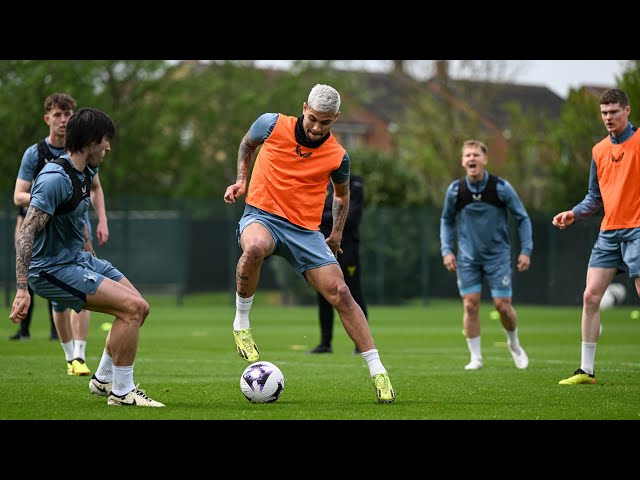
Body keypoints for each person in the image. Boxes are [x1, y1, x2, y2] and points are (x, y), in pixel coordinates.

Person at [223, 84, 395, 403]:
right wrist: (242, 180)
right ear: (304, 108)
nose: (317, 128)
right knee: (255, 247)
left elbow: (342, 197)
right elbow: (247, 144)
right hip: (262, 215)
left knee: (341, 292)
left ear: (336, 119)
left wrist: (336, 235)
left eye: (325, 122)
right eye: (313, 119)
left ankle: (378, 371)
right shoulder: (272, 124)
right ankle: (242, 323)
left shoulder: (338, 155)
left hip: (305, 231)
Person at [9, 107, 163, 407]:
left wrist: (90, 252)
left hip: (78, 259)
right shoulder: (55, 178)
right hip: (51, 269)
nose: (108, 146)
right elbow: (26, 233)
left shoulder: (87, 171)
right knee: (130, 309)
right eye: (105, 140)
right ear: (90, 141)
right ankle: (122, 392)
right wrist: (22, 287)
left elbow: (78, 218)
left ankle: (103, 379)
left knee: (140, 308)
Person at [12, 93, 110, 376]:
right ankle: (72, 357)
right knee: (59, 297)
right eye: (58, 114)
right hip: (44, 231)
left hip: (78, 229)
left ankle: (80, 354)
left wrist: (101, 220)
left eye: (68, 114)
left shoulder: (87, 153)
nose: (64, 119)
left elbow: (95, 188)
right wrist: (47, 198)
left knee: (90, 286)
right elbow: (18, 195)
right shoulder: (36, 155)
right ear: (48, 119)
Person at [553, 88, 640, 386]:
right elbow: (594, 197)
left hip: (638, 230)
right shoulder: (599, 150)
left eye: (614, 111)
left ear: (627, 111)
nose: (608, 117)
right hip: (609, 232)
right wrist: (573, 214)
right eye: (604, 113)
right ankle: (586, 371)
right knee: (590, 297)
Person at [440, 139, 532, 371]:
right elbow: (446, 221)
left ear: (485, 159)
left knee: (502, 305)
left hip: (497, 256)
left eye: (476, 155)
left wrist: (526, 250)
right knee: (470, 305)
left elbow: (522, 218)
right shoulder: (456, 190)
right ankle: (476, 358)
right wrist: (447, 250)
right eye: (467, 155)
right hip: (468, 258)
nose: (472, 159)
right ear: (462, 161)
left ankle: (514, 345)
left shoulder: (501, 188)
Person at [308, 174, 368, 354]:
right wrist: (331, 215)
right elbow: (311, 214)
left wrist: (323, 215)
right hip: (321, 246)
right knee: (323, 292)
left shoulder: (354, 184)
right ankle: (325, 343)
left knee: (352, 291)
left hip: (347, 247)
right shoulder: (321, 182)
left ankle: (361, 344)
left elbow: (351, 218)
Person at [10, 208, 58, 341]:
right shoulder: (26, 199)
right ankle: (24, 331)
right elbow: (20, 223)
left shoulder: (48, 195)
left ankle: (55, 331)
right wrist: (19, 246)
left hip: (46, 253)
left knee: (53, 294)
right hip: (29, 255)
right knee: (25, 292)